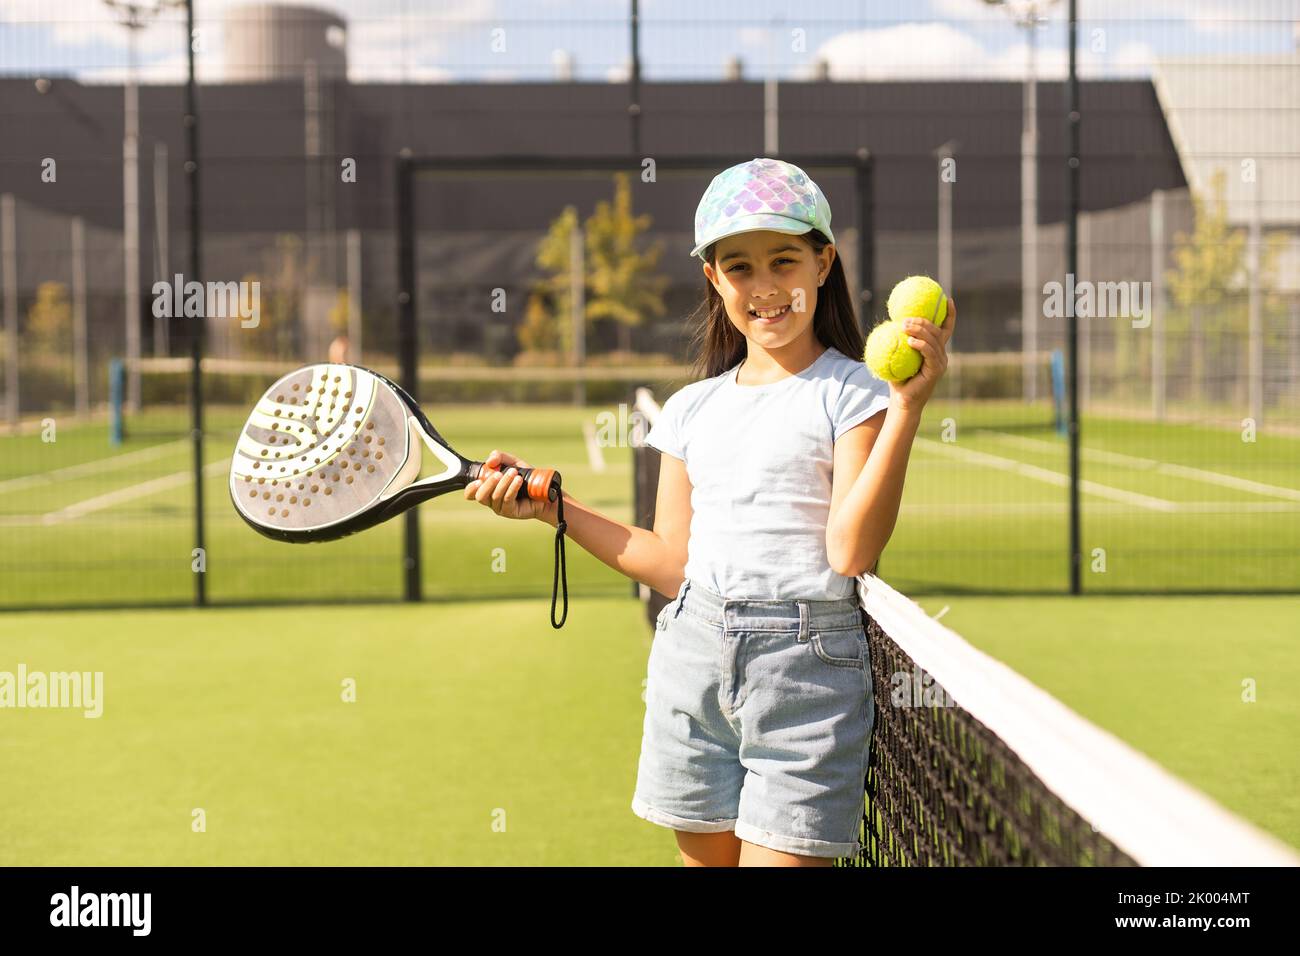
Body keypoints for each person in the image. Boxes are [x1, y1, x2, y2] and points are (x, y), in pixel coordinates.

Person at [463, 157, 955, 867]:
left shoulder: (857, 393)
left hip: (807, 675)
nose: (764, 287)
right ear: (714, 279)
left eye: (783, 260)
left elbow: (849, 554)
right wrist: (552, 509)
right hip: (690, 660)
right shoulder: (691, 409)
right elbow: (668, 562)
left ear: (824, 263)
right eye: (739, 267)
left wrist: (907, 405)